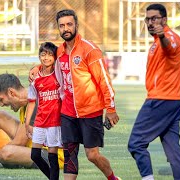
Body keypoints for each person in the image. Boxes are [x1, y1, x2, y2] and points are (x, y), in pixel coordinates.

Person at [30, 9, 120, 180]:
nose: (66, 28)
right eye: (62, 25)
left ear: (76, 25)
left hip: (90, 111)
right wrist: (36, 68)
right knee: (70, 154)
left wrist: (111, 108)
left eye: (69, 24)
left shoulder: (89, 49)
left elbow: (104, 80)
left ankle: (112, 178)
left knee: (92, 155)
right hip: (67, 112)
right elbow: (47, 61)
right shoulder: (60, 52)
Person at [128, 4, 180, 180]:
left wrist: (162, 35)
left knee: (136, 143)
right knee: (172, 148)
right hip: (174, 100)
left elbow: (169, 47)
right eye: (148, 19)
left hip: (161, 99)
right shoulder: (156, 41)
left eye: (154, 18)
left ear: (164, 20)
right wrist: (159, 36)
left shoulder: (169, 38)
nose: (150, 23)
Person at [26, 42, 62, 179]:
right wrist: (27, 123)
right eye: (43, 54)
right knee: (35, 155)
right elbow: (31, 101)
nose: (46, 58)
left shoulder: (59, 75)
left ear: (55, 57)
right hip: (40, 121)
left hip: (55, 121)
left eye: (50, 55)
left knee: (53, 156)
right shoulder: (35, 78)